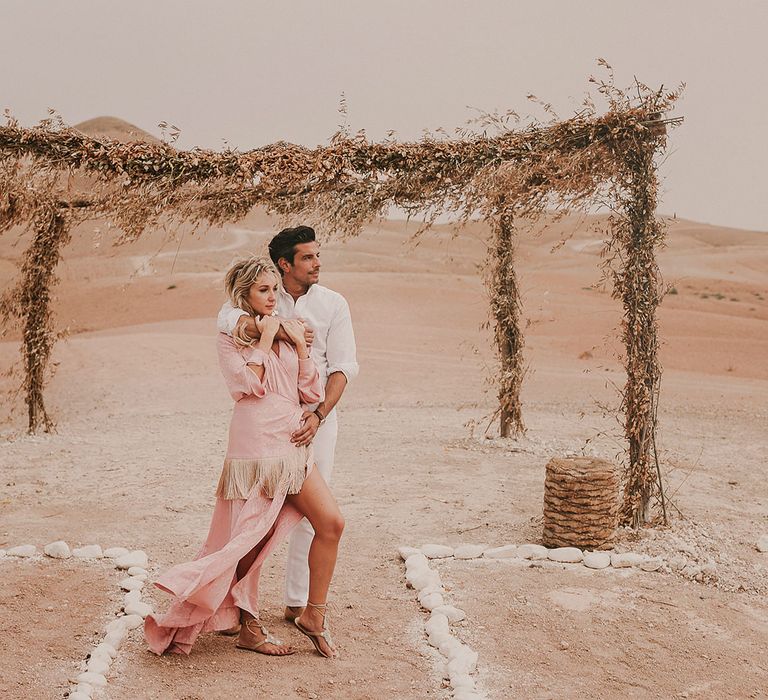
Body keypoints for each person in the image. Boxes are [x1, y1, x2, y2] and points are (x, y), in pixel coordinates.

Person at [145, 256, 344, 658]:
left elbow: (310, 392)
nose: (273, 297)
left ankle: (313, 615)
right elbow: (245, 386)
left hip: (290, 439)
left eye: (275, 289)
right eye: (264, 291)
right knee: (251, 537)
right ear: (245, 295)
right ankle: (248, 626)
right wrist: (267, 339)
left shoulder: (290, 329)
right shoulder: (232, 336)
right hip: (255, 444)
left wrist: (301, 348)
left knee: (331, 522)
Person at [217, 225, 358, 623]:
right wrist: (269, 328)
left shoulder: (333, 304)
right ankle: (238, 610)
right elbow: (228, 319)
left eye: (318, 255)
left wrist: (317, 415)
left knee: (316, 518)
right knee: (255, 521)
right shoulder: (262, 300)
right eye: (308, 257)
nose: (317, 263)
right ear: (285, 264)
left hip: (316, 418)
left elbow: (344, 367)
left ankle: (298, 603)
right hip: (265, 425)